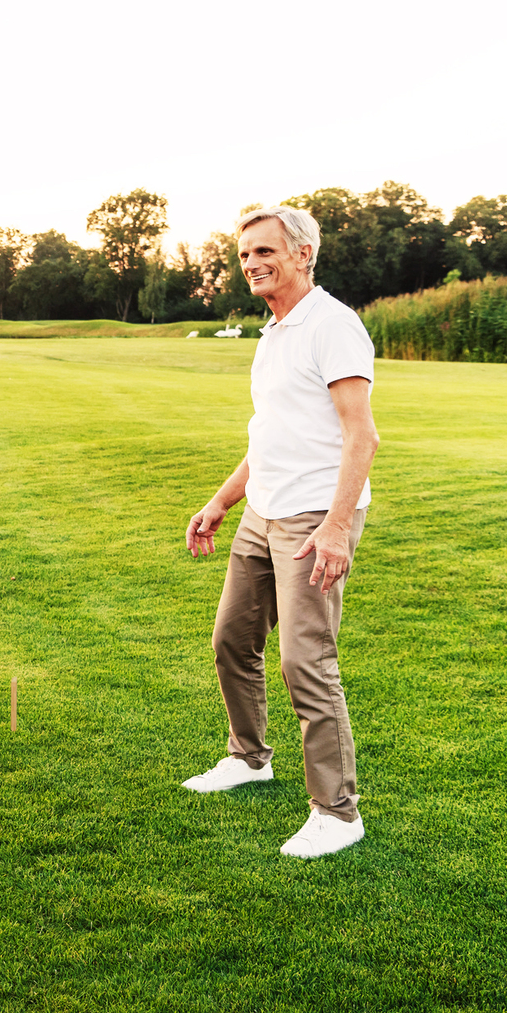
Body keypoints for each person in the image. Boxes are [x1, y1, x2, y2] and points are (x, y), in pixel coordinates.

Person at [182, 205, 381, 859]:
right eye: (244, 256)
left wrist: (333, 526)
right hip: (262, 511)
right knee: (231, 641)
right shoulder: (273, 333)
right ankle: (249, 757)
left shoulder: (334, 326)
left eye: (265, 252)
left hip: (312, 519)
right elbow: (269, 435)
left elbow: (362, 436)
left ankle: (337, 810)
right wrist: (219, 502)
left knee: (306, 659)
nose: (252, 264)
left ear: (303, 253)